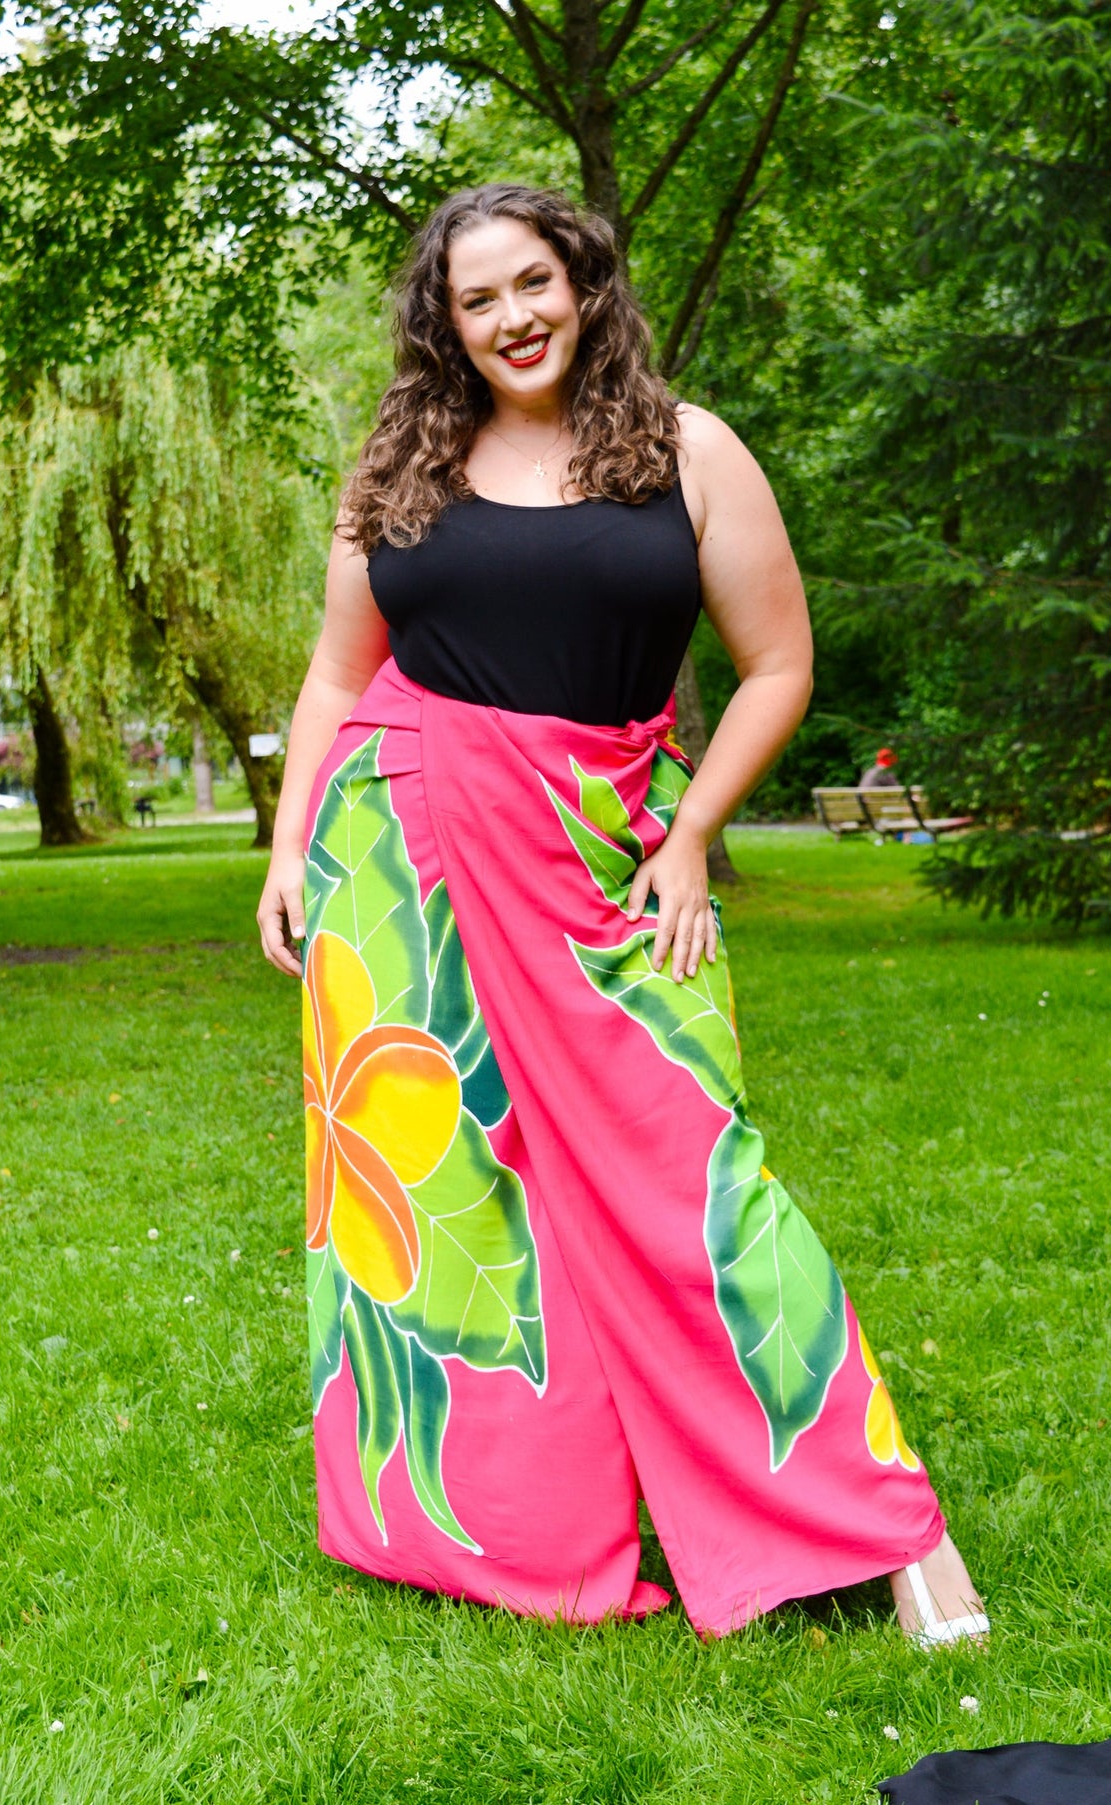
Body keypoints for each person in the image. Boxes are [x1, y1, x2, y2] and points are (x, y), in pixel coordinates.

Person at [257, 183, 986, 1644]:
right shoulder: (404, 458)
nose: (512, 317)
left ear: (584, 282)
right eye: (476, 299)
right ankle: (499, 1525)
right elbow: (339, 672)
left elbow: (779, 663)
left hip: (609, 855)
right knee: (453, 1190)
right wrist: (287, 852)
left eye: (534, 282)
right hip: (397, 864)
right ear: (445, 324)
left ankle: (883, 1525)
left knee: (698, 1176)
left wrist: (696, 831)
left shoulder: (686, 448)